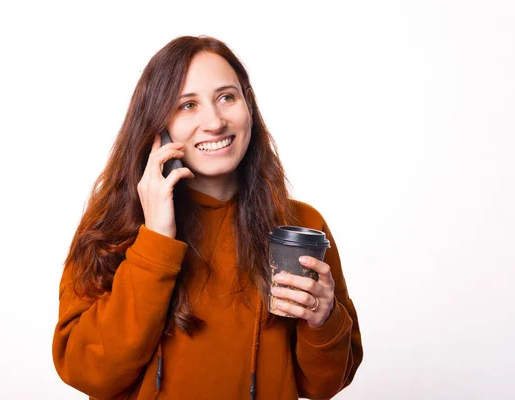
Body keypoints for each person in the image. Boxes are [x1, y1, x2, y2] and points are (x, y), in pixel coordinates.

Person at [52, 35, 363, 400]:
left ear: (249, 106)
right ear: (157, 124)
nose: (214, 122)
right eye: (187, 105)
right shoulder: (112, 224)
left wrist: (323, 319)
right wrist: (155, 240)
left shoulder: (301, 226)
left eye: (226, 97)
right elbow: (88, 372)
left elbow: (324, 385)